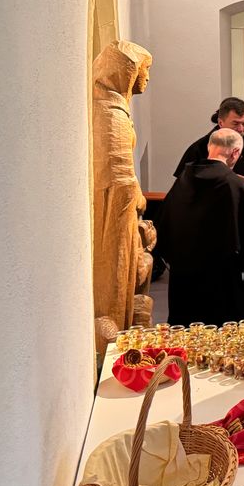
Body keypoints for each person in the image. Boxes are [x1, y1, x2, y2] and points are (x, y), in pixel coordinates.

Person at [156, 128, 244, 325]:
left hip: (184, 279)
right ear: (235, 153)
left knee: (187, 334)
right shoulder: (234, 185)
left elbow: (164, 223)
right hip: (222, 282)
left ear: (210, 147)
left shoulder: (183, 181)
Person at [92, 40, 153, 332]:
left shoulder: (116, 109)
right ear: (125, 71)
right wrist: (139, 197)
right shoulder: (111, 114)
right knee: (118, 276)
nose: (147, 77)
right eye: (144, 70)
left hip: (122, 206)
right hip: (115, 210)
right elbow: (120, 176)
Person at [174, 96, 244, 202]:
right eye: (235, 123)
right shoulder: (199, 148)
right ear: (221, 123)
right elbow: (184, 185)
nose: (241, 129)